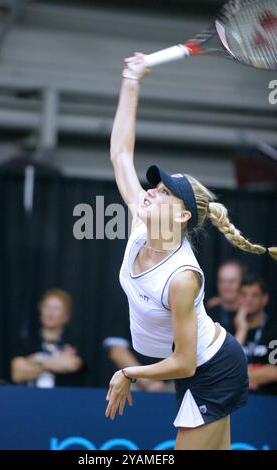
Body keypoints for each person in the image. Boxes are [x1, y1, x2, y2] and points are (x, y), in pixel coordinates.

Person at [104, 51, 277, 450]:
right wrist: (132, 79)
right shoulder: (140, 222)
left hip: (211, 368)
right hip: (194, 367)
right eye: (154, 187)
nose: (150, 192)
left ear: (182, 217)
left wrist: (128, 373)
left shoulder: (181, 277)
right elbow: (119, 155)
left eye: (163, 193)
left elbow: (184, 362)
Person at [11, 288, 86, 388]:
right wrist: (58, 362)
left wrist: (36, 359)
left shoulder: (74, 341)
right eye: (46, 307)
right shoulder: (28, 340)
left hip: (64, 398)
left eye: (56, 308)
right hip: (31, 397)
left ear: (66, 316)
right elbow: (18, 373)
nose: (50, 313)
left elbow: (73, 365)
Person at [103, 306, 171, 392]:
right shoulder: (126, 303)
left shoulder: (179, 302)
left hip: (177, 380)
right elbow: (117, 351)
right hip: (134, 382)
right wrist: (148, 382)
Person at [234, 274, 277, 395]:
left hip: (268, 401)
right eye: (244, 295)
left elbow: (274, 372)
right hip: (235, 402)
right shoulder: (227, 329)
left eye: (254, 295)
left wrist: (236, 378)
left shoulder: (274, 330)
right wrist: (241, 330)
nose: (249, 300)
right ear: (238, 298)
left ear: (265, 299)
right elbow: (222, 370)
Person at [207, 260, 247, 335]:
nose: (226, 286)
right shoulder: (208, 315)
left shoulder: (251, 312)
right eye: (222, 281)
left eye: (231, 281)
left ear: (242, 283)